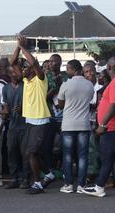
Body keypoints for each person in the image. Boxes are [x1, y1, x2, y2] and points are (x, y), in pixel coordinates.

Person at [13, 35, 52, 194]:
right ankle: (49, 174)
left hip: (40, 121)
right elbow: (12, 62)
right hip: (29, 121)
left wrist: (23, 47)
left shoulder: (41, 79)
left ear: (32, 71)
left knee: (31, 152)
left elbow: (34, 63)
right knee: (29, 152)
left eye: (25, 68)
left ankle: (37, 184)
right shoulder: (26, 80)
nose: (22, 69)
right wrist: (17, 46)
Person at [58, 59, 94, 193]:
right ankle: (81, 185)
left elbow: (61, 105)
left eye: (68, 69)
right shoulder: (89, 84)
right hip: (84, 124)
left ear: (74, 70)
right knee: (83, 156)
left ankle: (68, 184)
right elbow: (89, 100)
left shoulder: (66, 85)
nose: (67, 71)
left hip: (68, 125)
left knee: (67, 155)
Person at [83, 57, 115, 197]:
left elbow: (113, 105)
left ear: (109, 68)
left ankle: (99, 187)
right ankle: (100, 185)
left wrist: (102, 124)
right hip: (111, 127)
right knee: (109, 158)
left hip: (110, 128)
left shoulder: (114, 84)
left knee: (106, 158)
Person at [2, 67, 30, 189]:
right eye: (14, 71)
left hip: (25, 125)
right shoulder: (6, 88)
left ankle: (26, 178)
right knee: (11, 152)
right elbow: (5, 105)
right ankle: (14, 178)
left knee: (25, 153)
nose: (17, 74)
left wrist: (22, 110)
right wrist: (5, 112)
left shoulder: (25, 86)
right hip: (12, 125)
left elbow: (32, 103)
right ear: (9, 74)